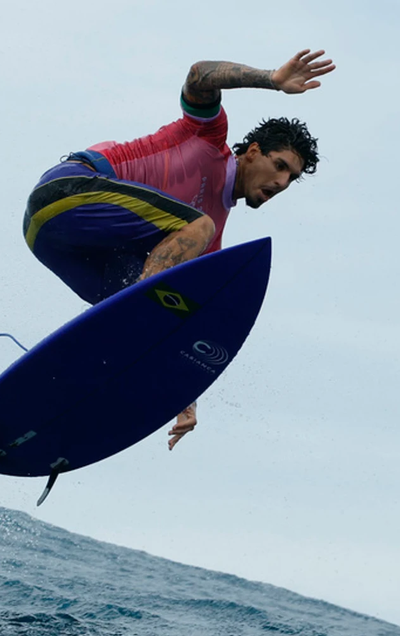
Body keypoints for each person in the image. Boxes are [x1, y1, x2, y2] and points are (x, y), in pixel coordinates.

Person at [23, 49, 335, 450]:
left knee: (168, 305)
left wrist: (183, 398)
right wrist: (270, 79)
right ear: (254, 151)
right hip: (66, 193)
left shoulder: (203, 243)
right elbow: (200, 74)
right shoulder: (207, 138)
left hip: (50, 242)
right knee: (186, 247)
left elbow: (184, 322)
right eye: (280, 166)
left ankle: (68, 391)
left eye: (291, 178)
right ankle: (134, 317)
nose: (282, 182)